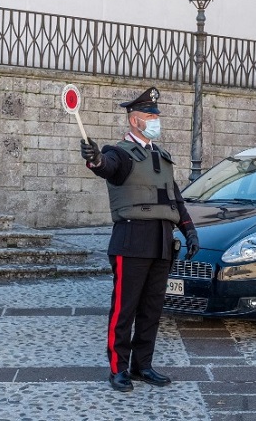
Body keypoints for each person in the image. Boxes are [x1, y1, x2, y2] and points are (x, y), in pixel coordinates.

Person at [80, 87, 199, 393]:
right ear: (135, 121)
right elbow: (107, 168)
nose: (155, 119)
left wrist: (190, 231)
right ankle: (118, 369)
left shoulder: (161, 155)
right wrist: (94, 159)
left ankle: (142, 366)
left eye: (156, 115)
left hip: (162, 242)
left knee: (152, 309)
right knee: (124, 309)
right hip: (132, 240)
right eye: (150, 115)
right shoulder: (118, 152)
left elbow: (176, 199)